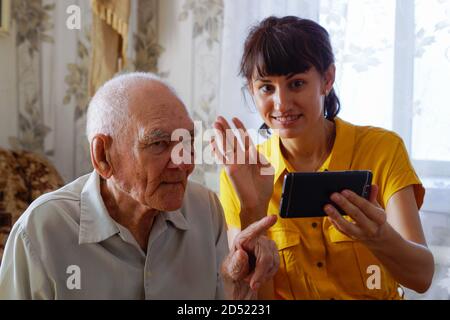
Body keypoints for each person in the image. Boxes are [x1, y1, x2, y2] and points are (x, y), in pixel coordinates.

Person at [0, 72, 279, 299]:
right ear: (103, 156)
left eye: (187, 141)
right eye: (158, 144)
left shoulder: (205, 209)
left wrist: (236, 285)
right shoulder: (42, 230)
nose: (183, 163)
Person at [214, 16, 434, 300]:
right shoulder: (242, 172)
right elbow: (254, 296)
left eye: (296, 84)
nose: (281, 104)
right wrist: (252, 210)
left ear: (327, 79)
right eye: (267, 87)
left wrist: (380, 237)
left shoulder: (382, 149)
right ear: (252, 89)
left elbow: (422, 277)